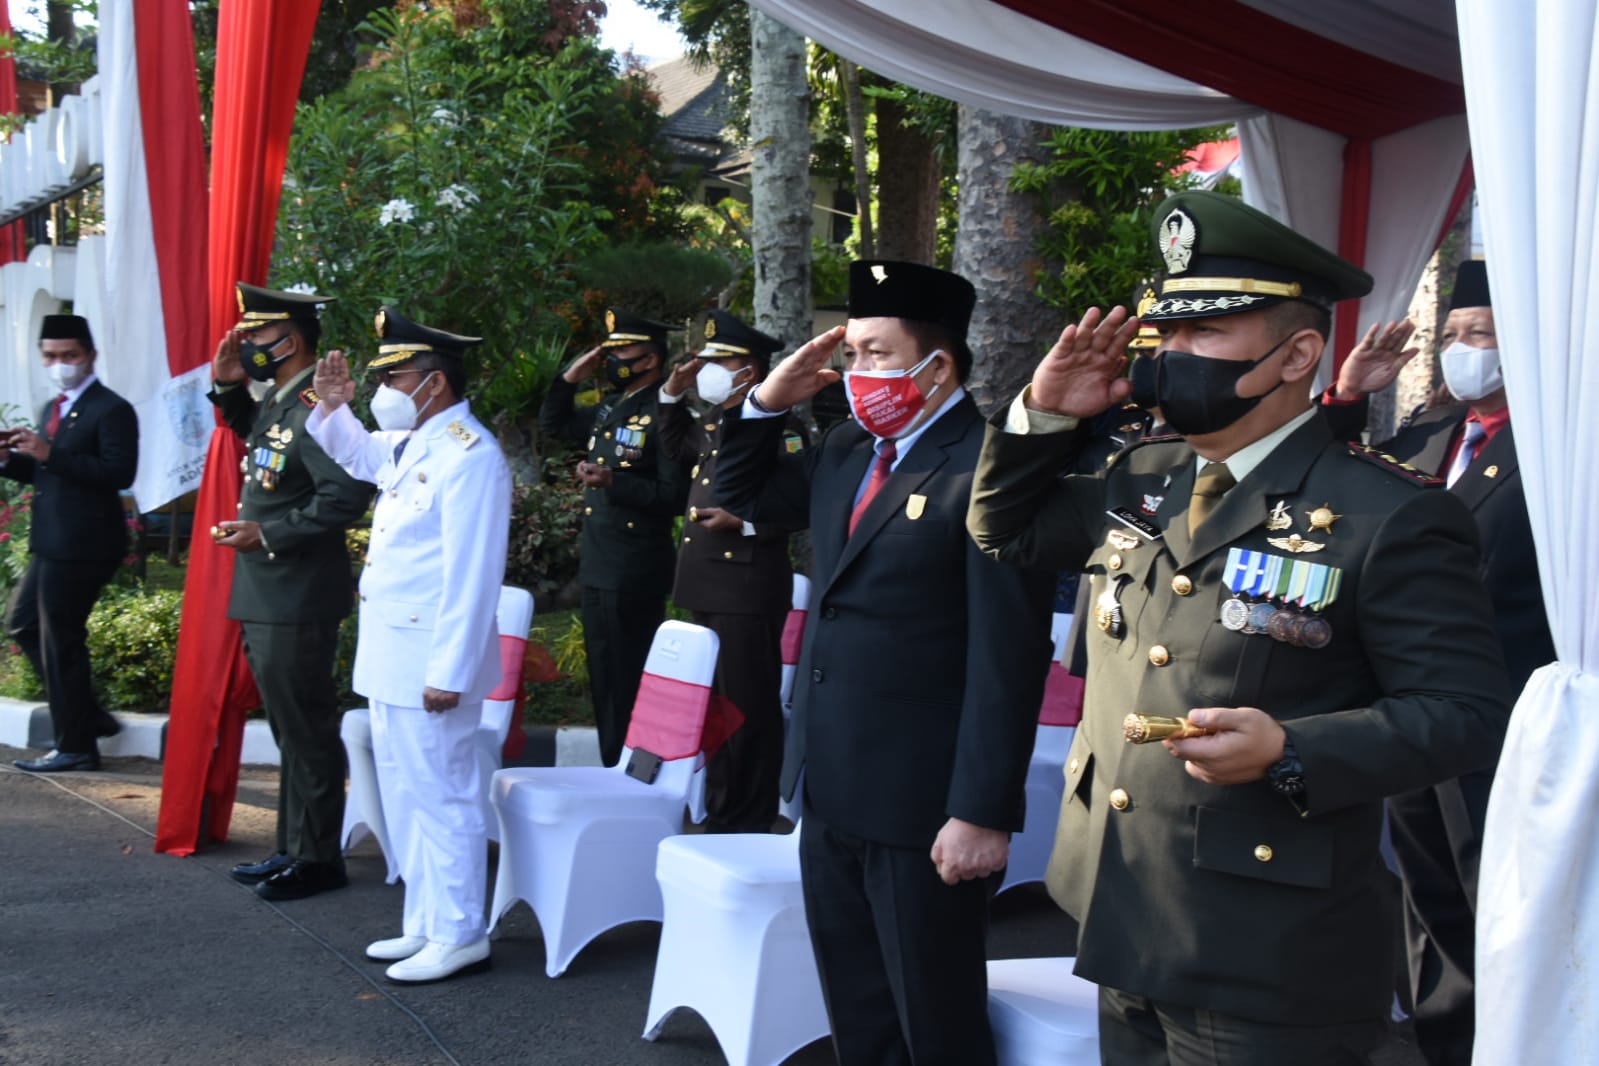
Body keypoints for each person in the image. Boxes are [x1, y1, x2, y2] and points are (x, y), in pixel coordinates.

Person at [966, 190, 1513, 1065]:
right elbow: (1004, 531)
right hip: (1124, 902)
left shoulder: (1387, 514)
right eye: (1166, 337)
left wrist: (1291, 749)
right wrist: (1045, 415)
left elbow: (1466, 712)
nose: (1171, 357)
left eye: (1203, 336)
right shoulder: (1144, 475)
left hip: (1270, 943)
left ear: (1297, 354)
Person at [713, 260, 1054, 1065]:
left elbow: (1008, 656)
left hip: (923, 804)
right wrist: (766, 402)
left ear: (938, 365)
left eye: (875, 352)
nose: (856, 372)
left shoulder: (989, 468)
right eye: (851, 353)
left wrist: (981, 810)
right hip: (830, 786)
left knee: (933, 1020)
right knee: (858, 1011)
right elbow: (742, 495)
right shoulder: (845, 449)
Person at [1322, 260, 1553, 1066]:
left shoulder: (1559, 445)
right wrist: (1352, 395)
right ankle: (1442, 1042)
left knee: (1494, 895)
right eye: (1453, 336)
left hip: (1505, 712)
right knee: (1425, 894)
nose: (1465, 351)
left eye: (1481, 335)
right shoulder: (1424, 433)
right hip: (1409, 706)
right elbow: (1326, 490)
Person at [306, 307, 511, 985]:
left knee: (445, 796)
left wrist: (449, 670)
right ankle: (424, 920)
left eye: (397, 376)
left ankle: (459, 933)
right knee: (410, 796)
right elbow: (361, 454)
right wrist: (332, 407)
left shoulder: (470, 455)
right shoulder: (417, 442)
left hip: (430, 664)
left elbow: (472, 575)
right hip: (392, 657)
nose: (384, 388)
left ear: (437, 383)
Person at [211, 283, 375, 901]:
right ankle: (293, 847)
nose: (245, 343)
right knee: (288, 728)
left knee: (306, 728)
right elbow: (262, 443)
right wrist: (230, 384)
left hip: (297, 591)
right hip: (269, 590)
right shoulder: (282, 403)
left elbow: (346, 495)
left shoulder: (313, 405)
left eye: (254, 335)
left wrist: (269, 533)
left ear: (291, 340)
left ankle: (318, 859)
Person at [658, 309, 804, 833]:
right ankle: (723, 805)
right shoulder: (718, 420)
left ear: (753, 370)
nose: (710, 370)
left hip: (746, 584)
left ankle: (748, 814)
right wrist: (671, 396)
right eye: (708, 361)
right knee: (717, 705)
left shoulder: (783, 427)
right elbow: (674, 448)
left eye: (724, 361)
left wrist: (743, 523)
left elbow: (799, 504)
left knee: (747, 705)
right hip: (707, 583)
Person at [539, 308, 689, 766]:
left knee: (630, 675)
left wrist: (613, 482)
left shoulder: (665, 413)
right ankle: (612, 764)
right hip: (602, 564)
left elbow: (674, 494)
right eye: (612, 350)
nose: (613, 359)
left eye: (622, 351)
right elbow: (554, 426)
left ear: (651, 359)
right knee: (605, 674)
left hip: (634, 567)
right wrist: (569, 378)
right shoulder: (613, 405)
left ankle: (634, 769)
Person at [6, 314, 139, 773]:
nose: (59, 364)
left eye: (69, 356)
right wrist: (10, 459)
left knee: (60, 640)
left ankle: (76, 745)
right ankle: (87, 717)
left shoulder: (111, 408)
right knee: (23, 625)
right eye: (50, 356)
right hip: (52, 541)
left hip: (85, 543)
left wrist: (50, 454)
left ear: (90, 356)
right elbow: (47, 470)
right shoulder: (55, 407)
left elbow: (119, 473)